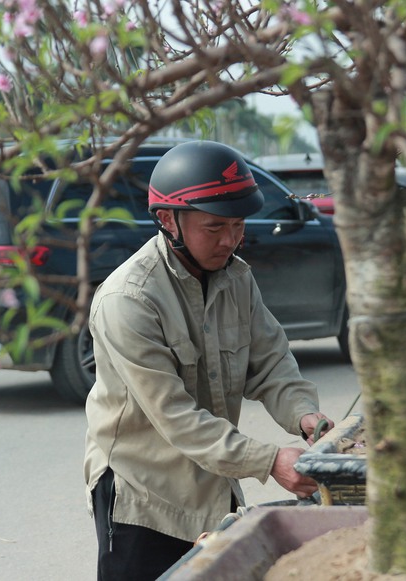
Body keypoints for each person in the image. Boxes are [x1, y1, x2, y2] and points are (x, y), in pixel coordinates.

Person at [83, 140, 335, 580]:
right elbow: (176, 416)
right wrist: (271, 460)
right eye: (214, 227)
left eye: (238, 225)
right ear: (167, 220)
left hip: (215, 484)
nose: (231, 240)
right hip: (143, 498)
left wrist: (306, 418)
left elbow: (272, 362)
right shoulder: (129, 300)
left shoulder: (236, 277)